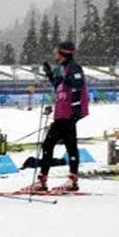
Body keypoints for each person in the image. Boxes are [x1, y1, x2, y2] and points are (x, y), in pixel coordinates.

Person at [35, 40, 89, 193]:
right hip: (61, 113)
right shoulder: (62, 69)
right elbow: (59, 85)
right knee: (69, 145)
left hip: (67, 114)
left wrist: (75, 111)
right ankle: (71, 180)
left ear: (64, 53)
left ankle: (43, 181)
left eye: (57, 52)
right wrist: (50, 74)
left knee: (49, 145)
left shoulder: (73, 68)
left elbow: (77, 88)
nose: (55, 55)